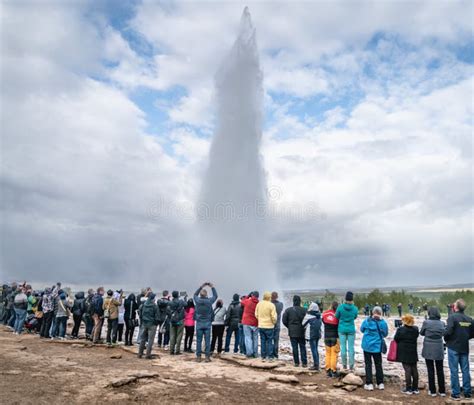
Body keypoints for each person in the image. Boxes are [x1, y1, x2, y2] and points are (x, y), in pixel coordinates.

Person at [444, 298, 472, 401]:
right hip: (464, 347)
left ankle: (456, 394)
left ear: (455, 307)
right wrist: (464, 338)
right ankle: (467, 393)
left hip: (453, 347)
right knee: (465, 370)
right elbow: (472, 334)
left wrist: (447, 339)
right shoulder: (469, 319)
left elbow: (447, 332)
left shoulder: (452, 318)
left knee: (454, 371)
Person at [360, 306, 388, 391]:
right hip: (377, 347)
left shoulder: (367, 321)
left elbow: (361, 329)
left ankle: (369, 383)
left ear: (373, 312)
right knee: (378, 364)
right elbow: (385, 334)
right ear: (380, 313)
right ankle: (380, 383)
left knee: (368, 365)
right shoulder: (383, 322)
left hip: (367, 346)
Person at [420, 306, 446, 397]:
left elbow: (422, 333)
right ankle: (442, 391)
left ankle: (432, 390)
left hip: (428, 347)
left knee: (430, 369)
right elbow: (444, 333)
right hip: (439, 347)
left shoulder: (426, 322)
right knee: (440, 369)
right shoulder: (442, 323)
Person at [394, 314, 419, 395]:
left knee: (407, 369)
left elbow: (396, 339)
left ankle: (408, 388)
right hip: (413, 351)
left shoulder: (400, 329)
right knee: (414, 369)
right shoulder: (416, 329)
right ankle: (415, 388)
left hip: (404, 352)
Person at [193, 282, 218, 362]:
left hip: (199, 324)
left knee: (199, 341)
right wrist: (212, 287)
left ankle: (198, 357)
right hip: (207, 324)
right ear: (206, 295)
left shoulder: (197, 300)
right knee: (207, 341)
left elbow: (194, 295)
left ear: (200, 295)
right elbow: (215, 296)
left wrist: (201, 286)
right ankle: (207, 357)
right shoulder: (209, 301)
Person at [335, 291, 358, 371]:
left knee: (343, 347)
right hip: (351, 329)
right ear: (352, 299)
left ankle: (344, 365)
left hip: (341, 329)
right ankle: (351, 366)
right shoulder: (355, 308)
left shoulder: (340, 307)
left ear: (345, 298)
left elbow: (336, 316)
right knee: (351, 348)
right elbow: (355, 317)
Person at [282, 295, 307, 367]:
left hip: (292, 332)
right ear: (300, 301)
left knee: (294, 347)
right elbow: (307, 320)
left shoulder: (288, 310)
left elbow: (284, 321)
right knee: (302, 347)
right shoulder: (304, 310)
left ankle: (296, 363)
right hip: (301, 331)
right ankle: (304, 363)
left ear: (293, 301)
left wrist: (289, 327)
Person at [255, 291, 277, 362]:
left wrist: (260, 320)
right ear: (269, 297)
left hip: (261, 325)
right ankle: (270, 356)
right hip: (269, 326)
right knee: (270, 341)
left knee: (262, 341)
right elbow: (274, 317)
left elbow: (256, 314)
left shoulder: (259, 304)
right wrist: (273, 323)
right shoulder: (271, 305)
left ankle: (263, 356)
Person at [138, 293, 160, 359]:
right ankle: (148, 354)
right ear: (153, 299)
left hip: (144, 323)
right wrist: (156, 323)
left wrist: (142, 322)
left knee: (143, 339)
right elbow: (157, 316)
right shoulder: (154, 306)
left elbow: (140, 314)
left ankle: (140, 353)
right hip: (152, 324)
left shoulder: (143, 305)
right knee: (150, 340)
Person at [302, 302, 322, 370]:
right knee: (316, 349)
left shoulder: (308, 316)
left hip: (311, 335)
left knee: (313, 350)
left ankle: (316, 365)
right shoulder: (319, 315)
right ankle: (317, 364)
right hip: (318, 334)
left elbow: (303, 324)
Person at [322, 301, 340, 377]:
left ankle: (328, 370)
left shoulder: (325, 314)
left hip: (326, 336)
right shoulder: (337, 315)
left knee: (327, 354)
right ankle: (333, 371)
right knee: (334, 354)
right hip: (334, 336)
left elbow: (323, 321)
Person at [241, 292, 260, 358]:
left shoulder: (247, 301)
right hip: (255, 322)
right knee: (255, 338)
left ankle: (249, 353)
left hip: (246, 322)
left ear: (252, 295)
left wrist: (247, 296)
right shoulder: (259, 303)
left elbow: (242, 302)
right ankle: (255, 353)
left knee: (248, 337)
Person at [167, 290, 186, 355]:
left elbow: (168, 310)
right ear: (178, 295)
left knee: (172, 335)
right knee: (179, 335)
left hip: (172, 320)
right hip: (180, 320)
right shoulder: (181, 301)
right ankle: (177, 350)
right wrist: (185, 298)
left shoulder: (170, 302)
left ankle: (171, 350)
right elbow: (186, 305)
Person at [271, 292, 284, 359]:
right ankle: (275, 354)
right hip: (277, 325)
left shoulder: (269, 304)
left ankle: (270, 354)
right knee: (276, 340)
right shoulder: (280, 304)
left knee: (269, 340)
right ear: (277, 297)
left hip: (270, 325)